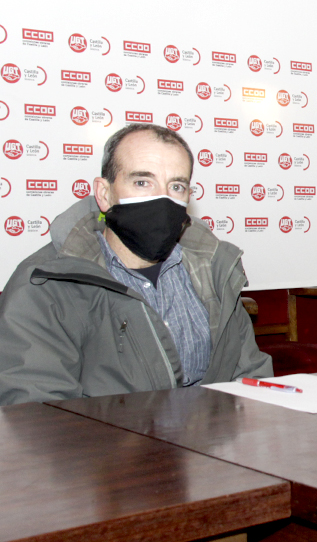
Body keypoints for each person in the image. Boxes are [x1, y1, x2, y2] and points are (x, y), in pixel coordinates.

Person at [0, 124, 272, 405]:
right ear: (104, 194)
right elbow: (36, 415)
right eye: (143, 182)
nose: (162, 199)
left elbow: (251, 377)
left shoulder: (215, 272)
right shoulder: (46, 285)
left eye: (176, 186)